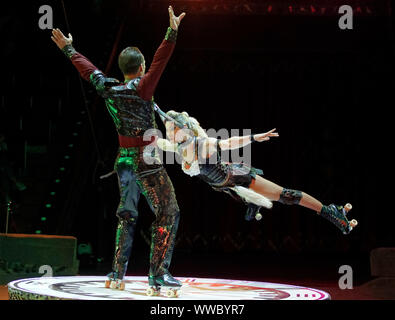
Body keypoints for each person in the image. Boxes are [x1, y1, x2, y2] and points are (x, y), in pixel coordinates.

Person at [51, 6, 186, 293]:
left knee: (127, 214)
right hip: (146, 160)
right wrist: (171, 32)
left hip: (123, 160)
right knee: (169, 212)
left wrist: (69, 49)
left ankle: (116, 274)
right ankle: (158, 276)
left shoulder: (109, 87)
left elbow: (89, 71)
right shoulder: (143, 87)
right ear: (140, 68)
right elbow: (161, 62)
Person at [155, 110, 357, 235]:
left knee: (286, 195)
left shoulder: (202, 144)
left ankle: (330, 211)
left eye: (172, 129)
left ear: (185, 129)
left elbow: (228, 142)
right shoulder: (181, 148)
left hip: (238, 178)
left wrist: (254, 137)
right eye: (168, 129)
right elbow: (165, 145)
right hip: (227, 188)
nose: (170, 134)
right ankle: (251, 202)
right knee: (265, 201)